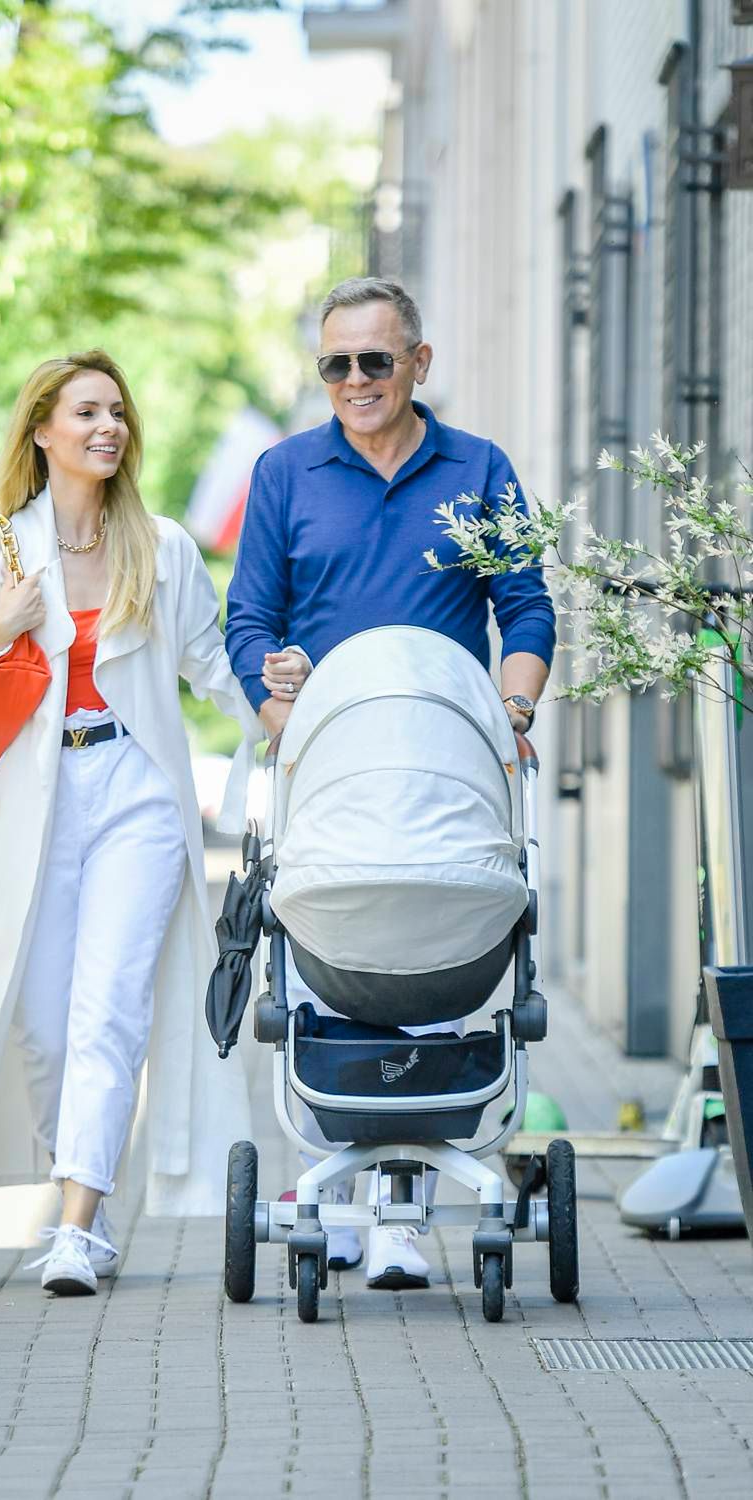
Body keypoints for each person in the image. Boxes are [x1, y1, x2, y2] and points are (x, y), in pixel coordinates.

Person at [0, 350, 309, 1295]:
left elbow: (215, 664)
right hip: (32, 802)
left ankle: (81, 1223)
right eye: (87, 411)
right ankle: (81, 1177)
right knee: (42, 1025)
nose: (108, 427)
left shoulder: (161, 547)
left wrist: (281, 696)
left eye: (118, 413)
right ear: (43, 428)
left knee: (109, 1011)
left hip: (136, 789)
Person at [226, 277, 556, 1290]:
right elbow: (248, 626)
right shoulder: (285, 472)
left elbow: (527, 608)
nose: (355, 381)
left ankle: (402, 1207)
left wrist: (511, 716)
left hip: (443, 769)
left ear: (418, 362)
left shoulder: (479, 470)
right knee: (342, 940)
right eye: (336, 364)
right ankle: (358, 1193)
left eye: (375, 360)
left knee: (430, 942)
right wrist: (288, 724)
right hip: (329, 770)